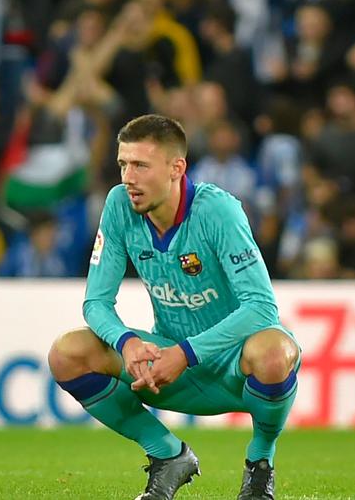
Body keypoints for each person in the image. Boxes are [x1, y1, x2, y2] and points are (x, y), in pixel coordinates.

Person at [46, 114, 301, 500]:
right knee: (67, 352)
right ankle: (168, 455)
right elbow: (96, 302)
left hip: (234, 366)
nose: (128, 178)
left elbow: (262, 308)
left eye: (140, 165)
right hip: (169, 366)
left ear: (176, 168)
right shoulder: (118, 205)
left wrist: (186, 353)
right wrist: (127, 342)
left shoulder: (218, 211)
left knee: (274, 351)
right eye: (123, 164)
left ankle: (260, 463)